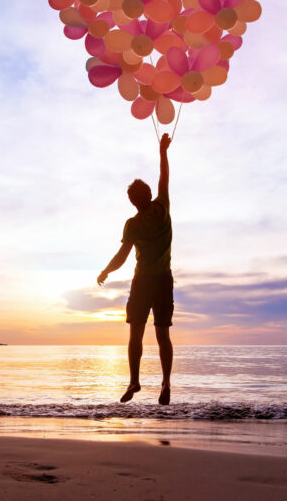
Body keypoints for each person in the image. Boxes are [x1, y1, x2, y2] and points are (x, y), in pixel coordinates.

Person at [98, 133, 173, 405]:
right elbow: (164, 176)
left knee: (135, 334)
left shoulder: (132, 224)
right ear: (150, 195)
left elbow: (122, 255)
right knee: (162, 334)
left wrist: (105, 272)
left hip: (142, 282)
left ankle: (134, 380)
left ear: (132, 202)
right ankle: (165, 382)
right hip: (163, 280)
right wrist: (162, 150)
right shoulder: (163, 208)